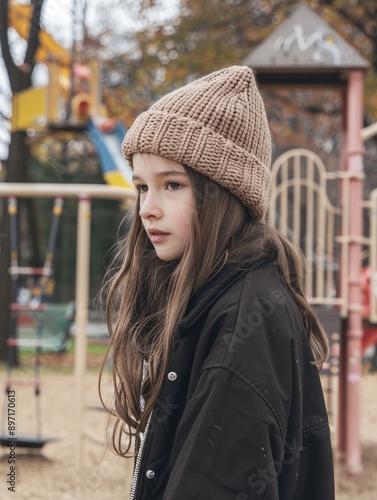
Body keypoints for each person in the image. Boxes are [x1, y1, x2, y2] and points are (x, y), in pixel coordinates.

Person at [100, 66, 335, 500]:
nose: (148, 208)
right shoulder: (213, 297)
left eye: (172, 184)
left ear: (224, 192)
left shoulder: (242, 324)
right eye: (141, 187)